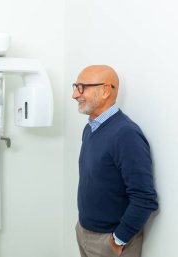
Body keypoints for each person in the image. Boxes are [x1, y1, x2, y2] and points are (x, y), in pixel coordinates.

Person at [72, 65, 158, 257]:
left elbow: (145, 198)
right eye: (75, 86)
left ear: (105, 90)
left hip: (110, 242)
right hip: (84, 232)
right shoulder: (90, 129)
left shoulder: (125, 134)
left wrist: (118, 239)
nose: (75, 95)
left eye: (81, 87)